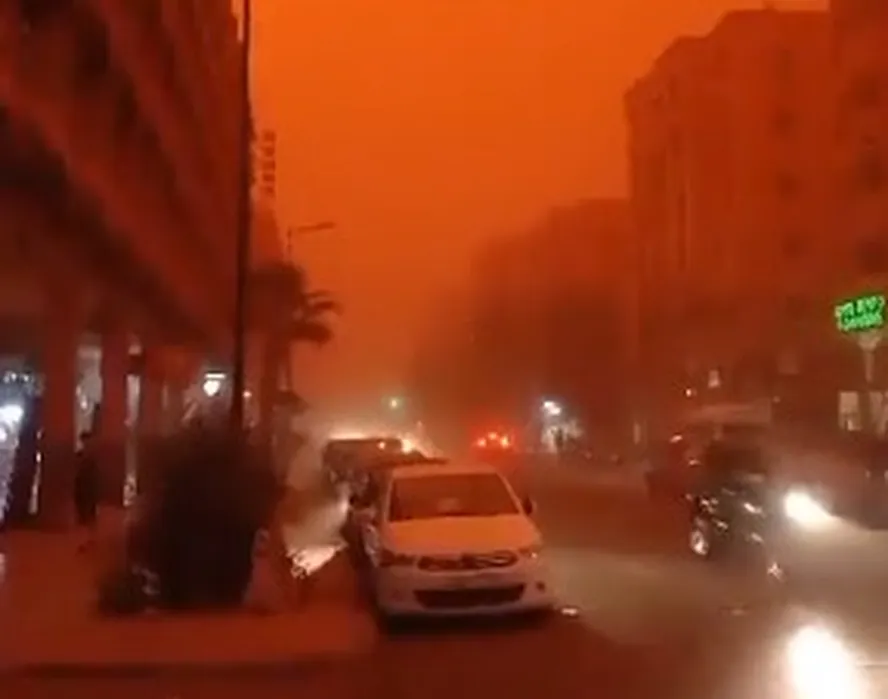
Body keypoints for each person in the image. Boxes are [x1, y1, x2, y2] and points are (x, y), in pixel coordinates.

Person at [74, 429, 99, 552]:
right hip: (84, 488)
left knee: (87, 516)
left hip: (88, 488)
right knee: (86, 516)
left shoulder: (88, 456)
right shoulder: (85, 455)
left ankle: (88, 540)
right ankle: (88, 540)